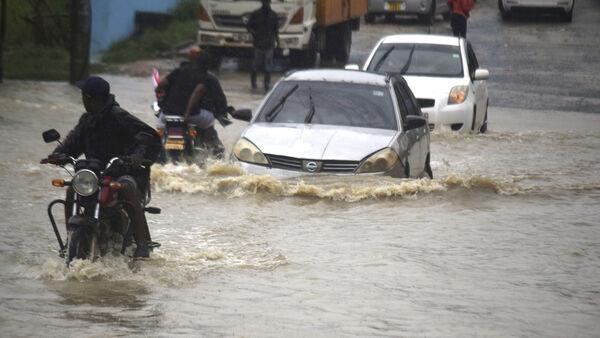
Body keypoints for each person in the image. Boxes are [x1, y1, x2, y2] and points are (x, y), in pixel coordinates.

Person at [50, 76, 162, 258]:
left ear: (89, 98)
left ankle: (142, 245)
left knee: (127, 186)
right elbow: (73, 141)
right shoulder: (87, 120)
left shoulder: (118, 115)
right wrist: (59, 154)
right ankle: (69, 240)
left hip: (123, 172)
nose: (83, 100)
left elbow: (148, 135)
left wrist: (137, 155)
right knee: (72, 190)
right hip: (93, 174)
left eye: (83, 96)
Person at [155, 47, 227, 157]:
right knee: (209, 122)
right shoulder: (206, 77)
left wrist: (160, 93)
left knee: (159, 127)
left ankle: (157, 149)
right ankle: (206, 148)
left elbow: (161, 85)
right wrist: (187, 114)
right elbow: (200, 93)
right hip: (190, 115)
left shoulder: (178, 71)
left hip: (167, 113)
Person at [246, 0, 280, 92]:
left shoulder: (273, 15)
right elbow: (248, 27)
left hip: (268, 44)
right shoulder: (256, 14)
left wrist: (278, 43)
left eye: (267, 2)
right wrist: (255, 34)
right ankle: (254, 83)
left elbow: (276, 31)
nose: (266, 4)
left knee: (267, 66)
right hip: (259, 44)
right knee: (257, 65)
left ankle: (266, 85)